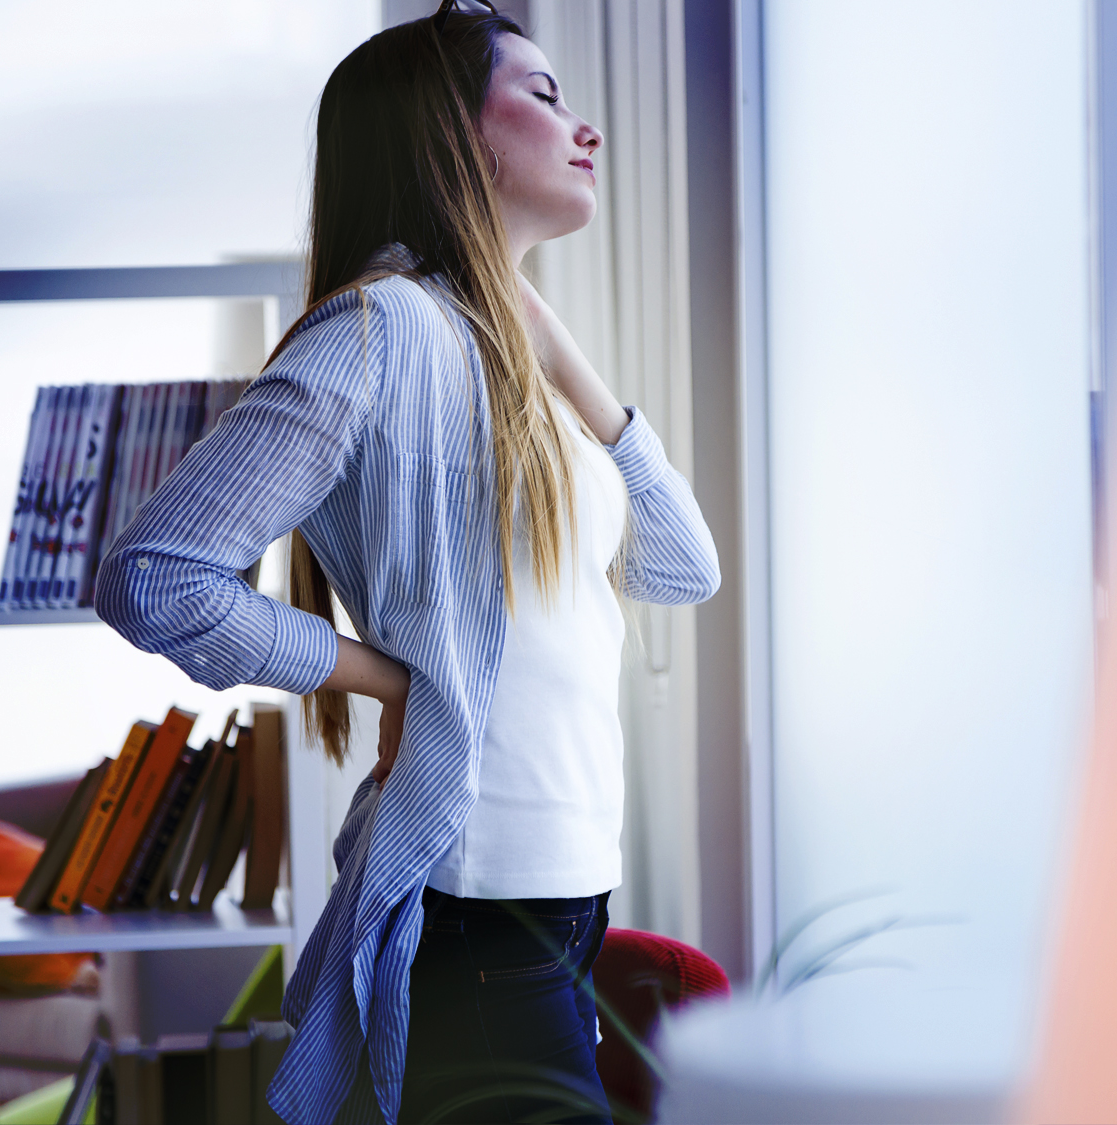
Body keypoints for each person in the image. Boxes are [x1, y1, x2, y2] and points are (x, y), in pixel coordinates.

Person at [94, 2, 719, 1122]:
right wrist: (390, 677)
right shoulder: (381, 331)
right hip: (482, 922)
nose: (587, 129)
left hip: (559, 906)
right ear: (453, 136)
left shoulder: (499, 360)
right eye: (543, 95)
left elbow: (683, 565)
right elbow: (155, 577)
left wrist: (554, 346)